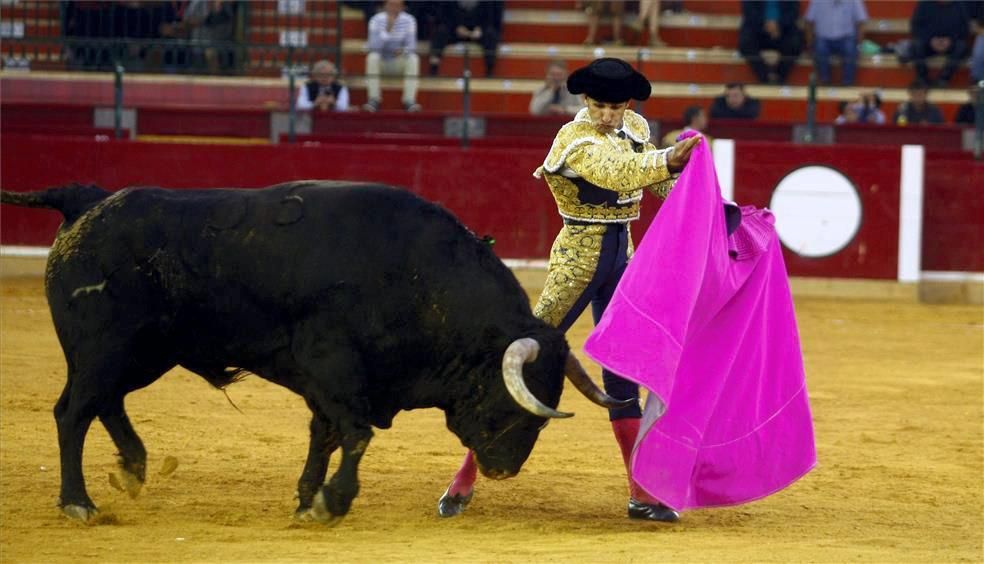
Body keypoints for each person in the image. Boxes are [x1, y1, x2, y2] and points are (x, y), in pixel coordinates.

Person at [436, 57, 703, 523]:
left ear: (628, 103)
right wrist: (665, 157)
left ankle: (641, 492)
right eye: (599, 105)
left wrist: (709, 201)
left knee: (623, 372)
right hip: (577, 260)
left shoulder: (635, 126)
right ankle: (465, 476)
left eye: (615, 106)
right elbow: (617, 172)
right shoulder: (574, 139)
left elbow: (659, 183)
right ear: (584, 100)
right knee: (527, 358)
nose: (606, 115)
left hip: (624, 260)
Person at [363, 0, 421, 112]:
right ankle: (374, 100)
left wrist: (403, 51)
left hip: (398, 61)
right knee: (372, 57)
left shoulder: (409, 20)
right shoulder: (376, 20)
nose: (394, 8)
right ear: (385, 6)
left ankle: (409, 100)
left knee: (413, 59)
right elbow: (373, 46)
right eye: (391, 5)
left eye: (398, 5)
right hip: (382, 61)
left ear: (403, 7)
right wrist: (387, 30)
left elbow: (412, 46)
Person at [428, 1, 502, 77]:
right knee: (441, 32)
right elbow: (444, 16)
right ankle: (434, 67)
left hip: (477, 31)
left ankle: (490, 68)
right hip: (456, 30)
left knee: (490, 34)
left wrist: (480, 29)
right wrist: (456, 27)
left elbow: (489, 18)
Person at [738, 0, 803, 84]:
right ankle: (765, 76)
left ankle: (779, 76)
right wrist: (766, 25)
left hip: (783, 29)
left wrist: (778, 25)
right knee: (745, 42)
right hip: (757, 28)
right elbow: (749, 12)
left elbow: (793, 12)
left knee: (795, 43)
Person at [804, 0, 868, 86]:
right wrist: (810, 44)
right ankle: (824, 83)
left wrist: (859, 46)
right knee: (820, 49)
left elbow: (861, 22)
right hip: (823, 38)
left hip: (846, 37)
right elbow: (808, 21)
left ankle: (847, 84)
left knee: (850, 50)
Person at [909, 0, 971, 87]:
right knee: (916, 45)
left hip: (951, 44)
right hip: (929, 43)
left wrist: (950, 40)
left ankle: (944, 79)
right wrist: (930, 40)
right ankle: (922, 79)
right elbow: (915, 27)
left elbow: (965, 29)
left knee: (961, 47)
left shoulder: (959, 5)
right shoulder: (924, 4)